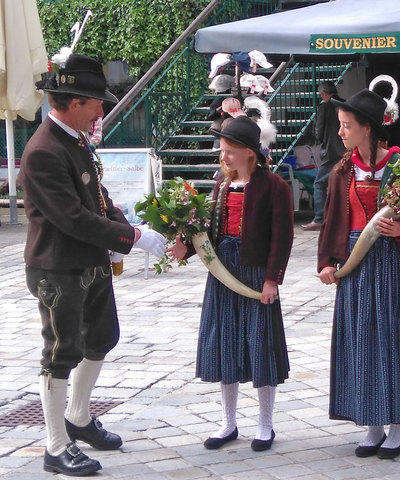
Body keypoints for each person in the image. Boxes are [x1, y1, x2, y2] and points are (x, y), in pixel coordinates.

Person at [19, 53, 167, 476]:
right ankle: (55, 445)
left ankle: (78, 417)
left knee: (101, 337)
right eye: (96, 101)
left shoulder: (75, 139)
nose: (102, 108)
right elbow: (72, 218)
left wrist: (126, 225)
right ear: (74, 102)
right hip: (59, 268)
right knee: (61, 352)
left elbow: (98, 199)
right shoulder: (44, 149)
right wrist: (132, 238)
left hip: (90, 261)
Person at [316, 88, 400, 459]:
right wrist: (327, 262)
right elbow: (330, 222)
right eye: (340, 126)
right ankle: (372, 424)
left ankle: (398, 427)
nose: (340, 132)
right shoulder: (342, 171)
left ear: (368, 129)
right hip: (357, 267)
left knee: (397, 339)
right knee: (363, 341)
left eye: (346, 126)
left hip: (393, 264)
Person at [168, 116, 293, 452]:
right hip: (222, 275)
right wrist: (183, 250)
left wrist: (272, 279)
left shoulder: (274, 187)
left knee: (260, 344)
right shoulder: (221, 186)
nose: (223, 158)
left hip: (254, 275)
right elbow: (205, 230)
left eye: (229, 152)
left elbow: (282, 237)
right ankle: (228, 422)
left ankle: (265, 424)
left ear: (250, 153)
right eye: (221, 151)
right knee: (227, 344)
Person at [302, 81, 345, 230]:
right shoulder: (345, 104)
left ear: (323, 94)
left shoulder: (324, 107)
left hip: (331, 151)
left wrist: (318, 139)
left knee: (319, 183)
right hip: (347, 149)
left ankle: (319, 218)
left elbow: (319, 133)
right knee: (343, 183)